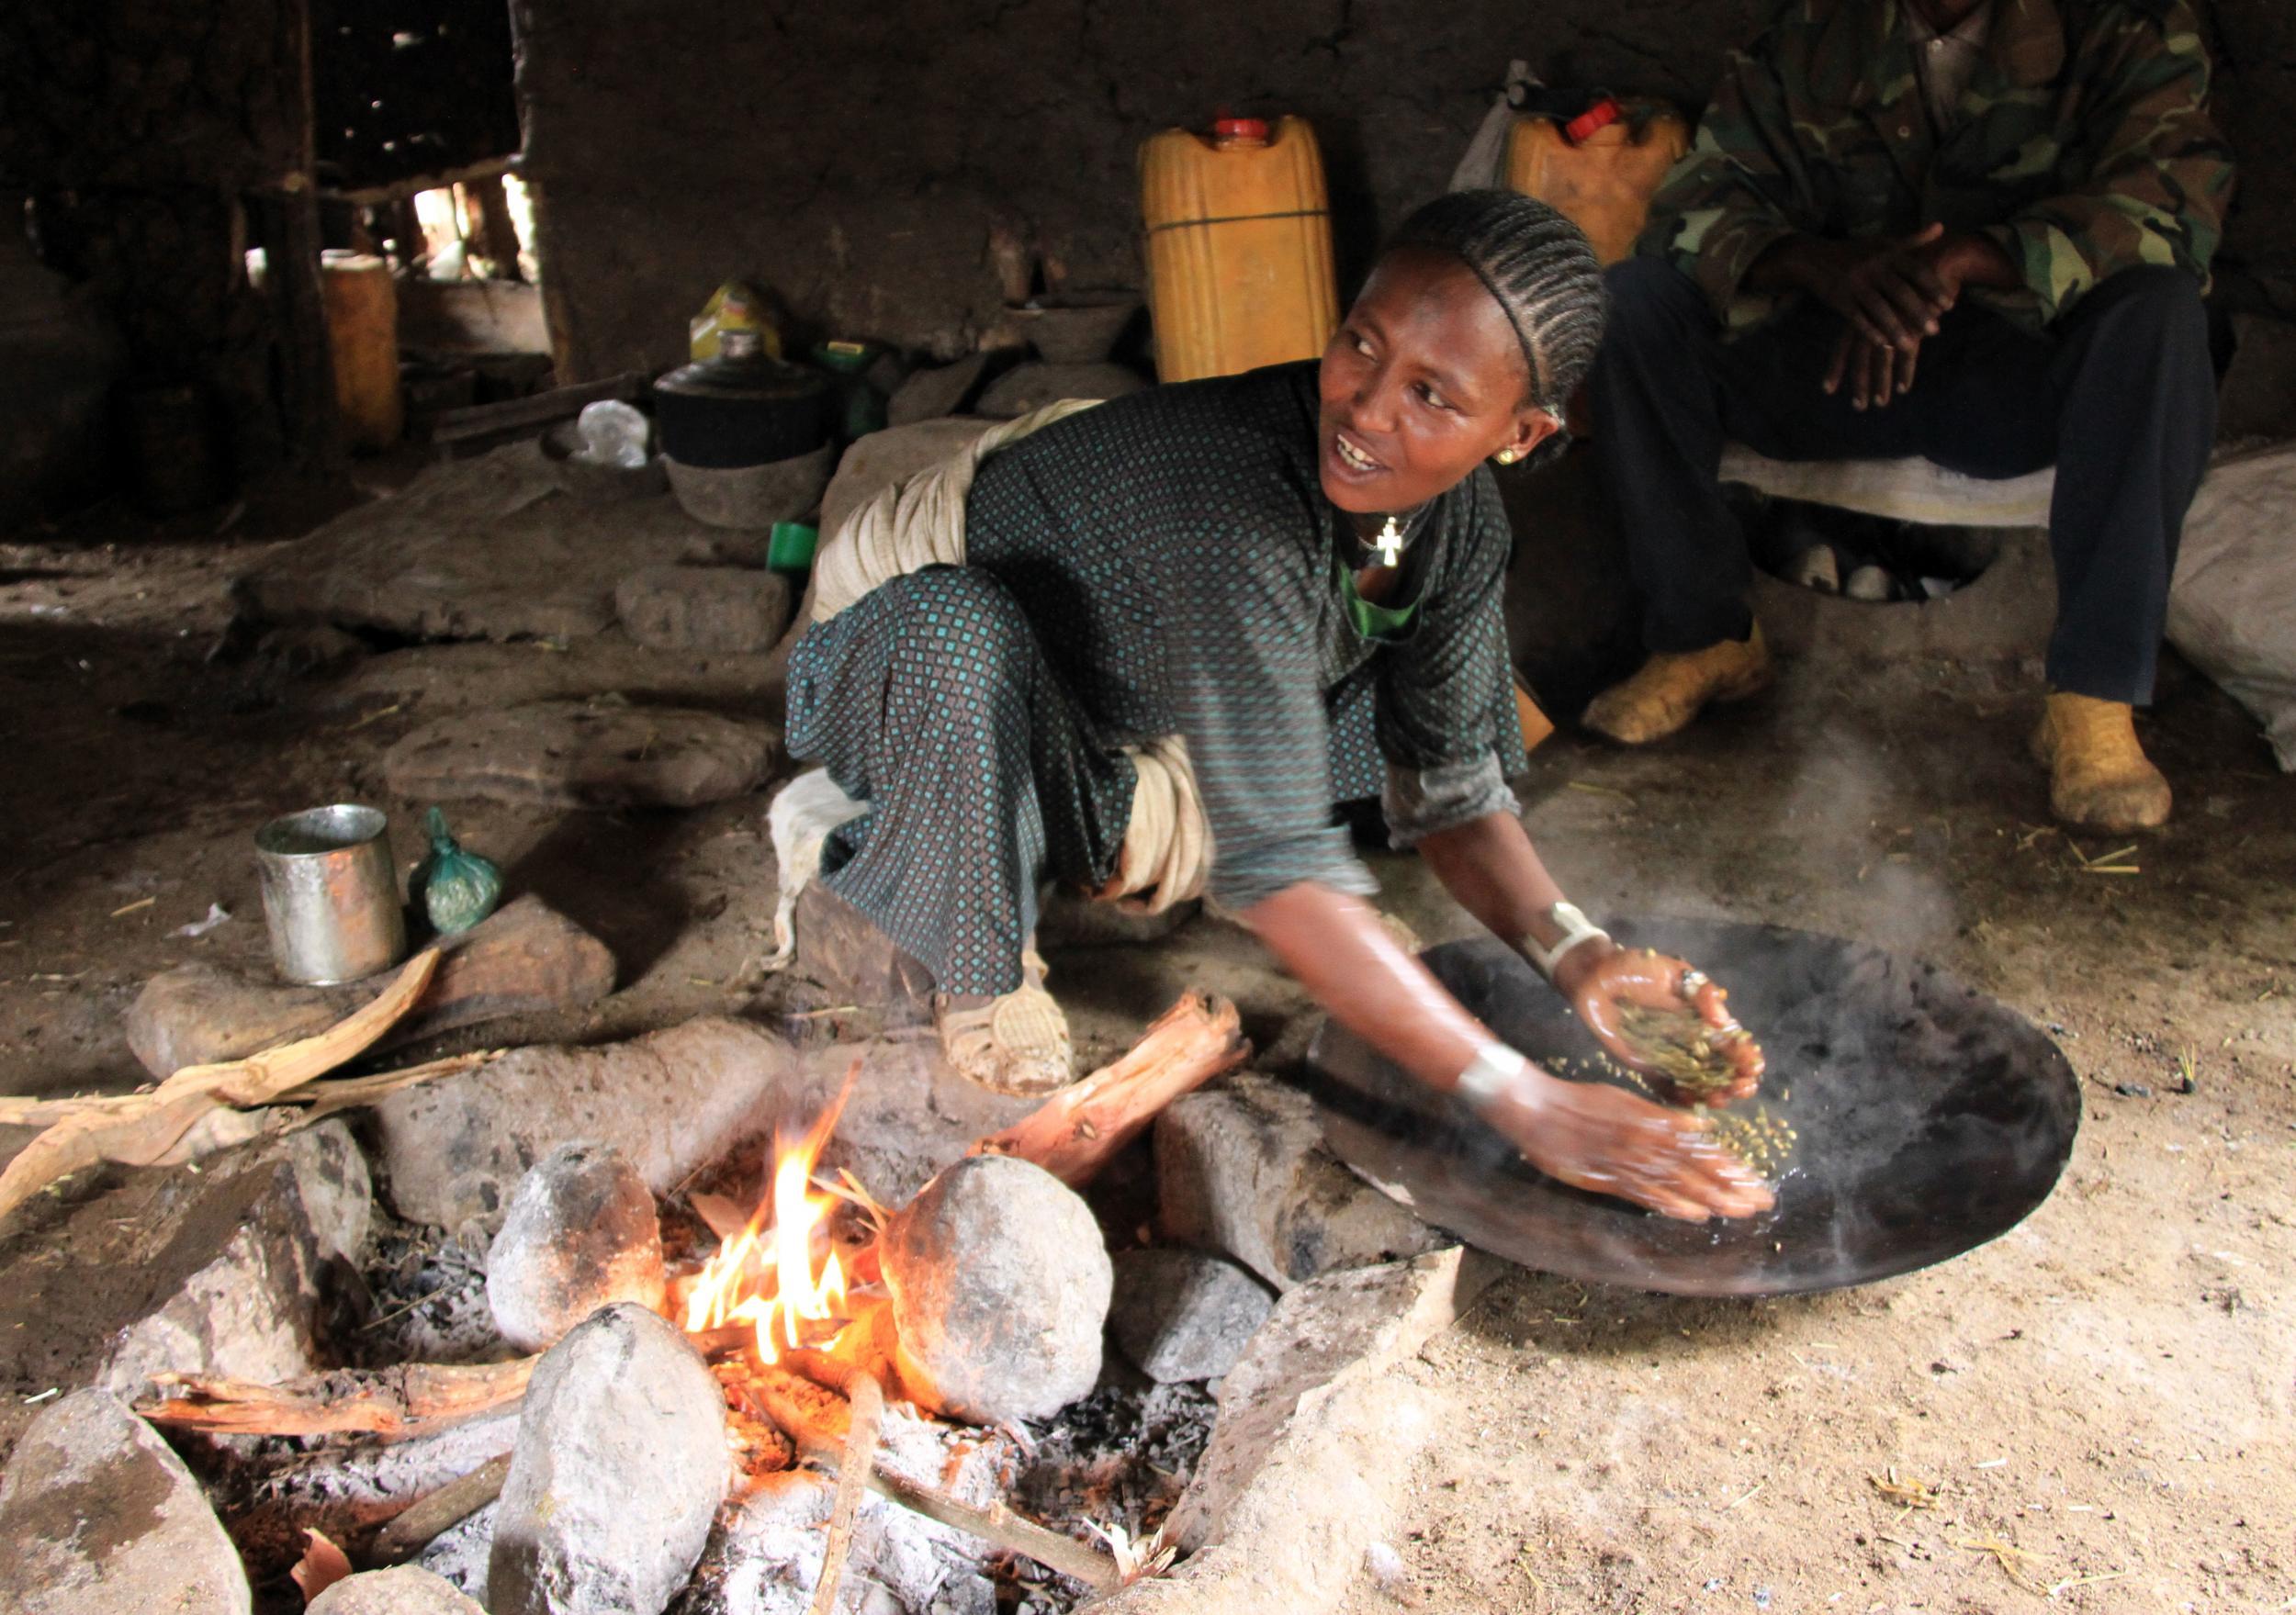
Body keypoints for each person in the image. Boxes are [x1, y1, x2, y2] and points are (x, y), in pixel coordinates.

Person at [782, 191, 1770, 1222]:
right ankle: (980, 968)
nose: (1369, 408)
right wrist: (1523, 1099)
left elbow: (1449, 784)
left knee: (1372, 676)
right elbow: (1282, 875)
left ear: (1519, 435)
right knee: (962, 632)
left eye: (1433, 394)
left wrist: (1579, 951)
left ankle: (1176, 826)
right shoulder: (1244, 504)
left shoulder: (1456, 520)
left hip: (1115, 663)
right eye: (1361, 344)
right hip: (914, 629)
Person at [1585, 0, 2234, 833]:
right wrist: (1825, 267)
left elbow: (2174, 207)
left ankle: (2093, 696)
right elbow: (1695, 203)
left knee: (2168, 314)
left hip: (2015, 379)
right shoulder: (1812, 31)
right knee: (1634, 303)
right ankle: (1704, 634)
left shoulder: (2124, 24)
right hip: (1837, 362)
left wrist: (1968, 260)